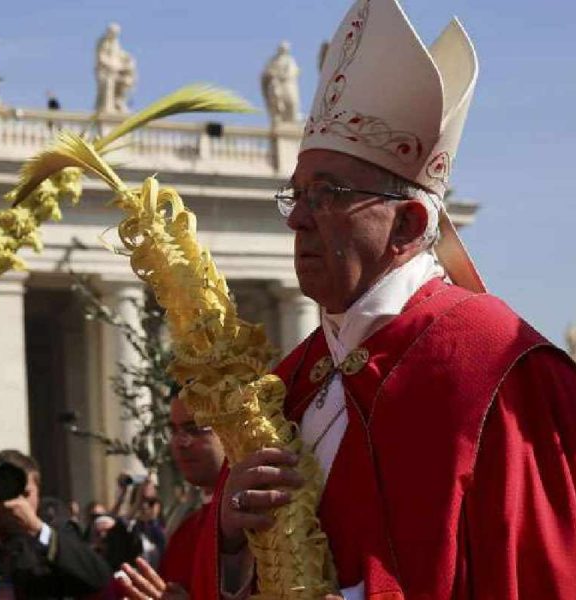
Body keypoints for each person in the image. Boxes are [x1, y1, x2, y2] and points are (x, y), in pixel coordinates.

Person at [191, 0, 576, 599]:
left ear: (407, 224)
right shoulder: (291, 379)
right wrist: (232, 543)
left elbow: (542, 575)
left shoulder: (500, 370)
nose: (298, 221)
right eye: (295, 196)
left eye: (327, 194)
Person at [0, 449, 112, 599]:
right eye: (7, 491)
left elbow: (100, 577)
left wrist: (37, 529)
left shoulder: (56, 528)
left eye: (25, 494)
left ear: (39, 492)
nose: (16, 501)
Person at [118, 392, 225, 599]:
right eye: (174, 430)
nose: (180, 442)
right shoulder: (184, 531)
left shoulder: (260, 518)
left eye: (194, 428)